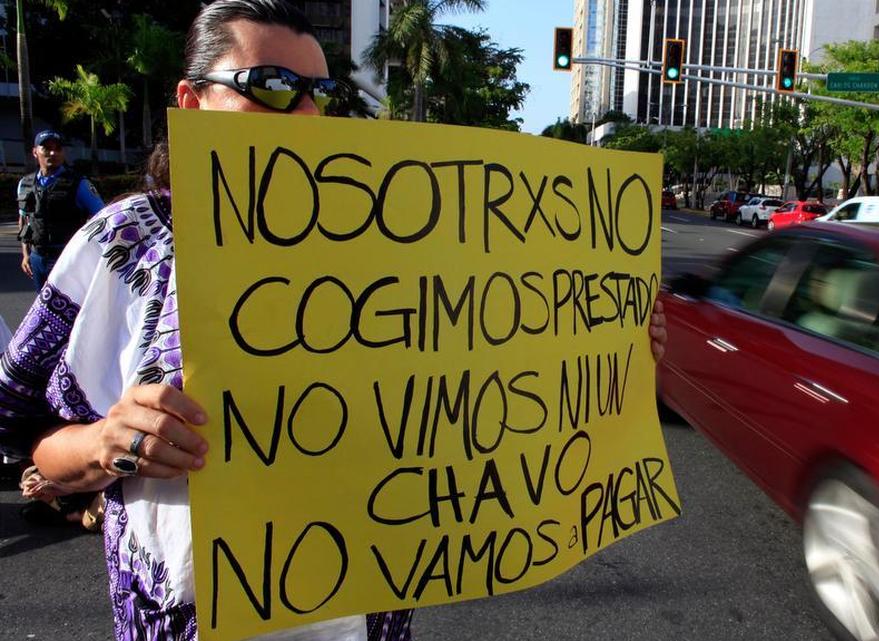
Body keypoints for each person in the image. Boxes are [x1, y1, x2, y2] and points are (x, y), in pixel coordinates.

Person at [0, 1, 667, 640]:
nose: (306, 110)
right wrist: (101, 442)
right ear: (192, 101)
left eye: (317, 90)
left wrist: (611, 348)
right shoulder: (129, 244)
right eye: (272, 85)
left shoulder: (398, 242)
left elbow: (481, 385)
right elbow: (24, 426)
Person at [16, 130, 105, 289]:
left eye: (58, 149)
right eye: (47, 148)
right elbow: (24, 219)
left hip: (67, 257)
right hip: (38, 258)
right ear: (35, 152)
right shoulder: (25, 184)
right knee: (43, 309)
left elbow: (102, 218)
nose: (53, 153)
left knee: (69, 309)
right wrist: (26, 254)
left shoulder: (79, 184)